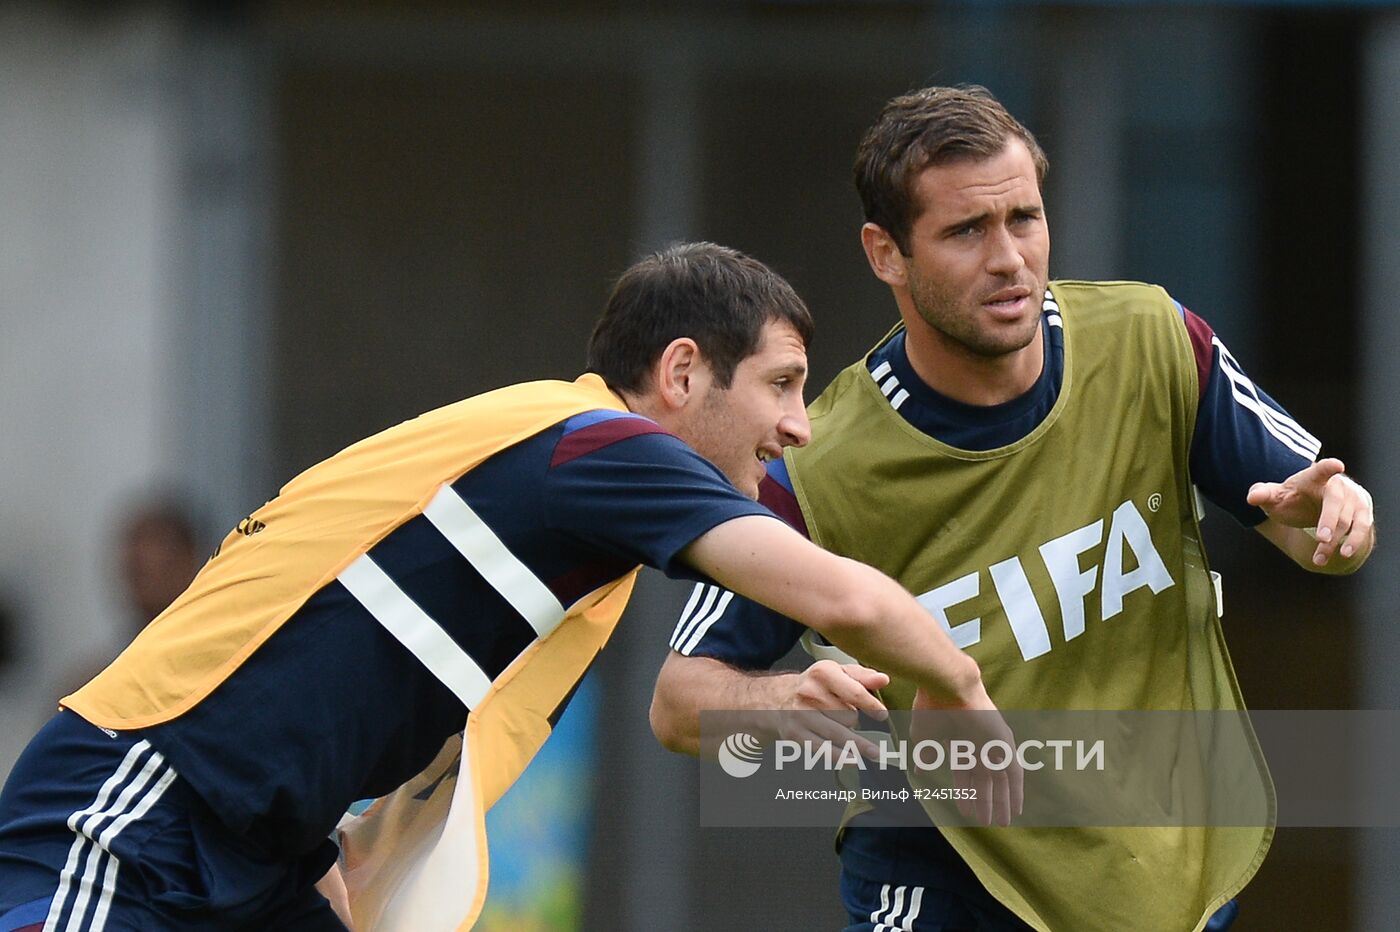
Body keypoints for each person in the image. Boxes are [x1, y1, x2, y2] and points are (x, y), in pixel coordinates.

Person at [0, 242, 1013, 932]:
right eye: (781, 383)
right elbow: (843, 600)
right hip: (138, 810)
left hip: (260, 852)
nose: (798, 424)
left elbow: (366, 697)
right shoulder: (596, 445)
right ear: (681, 371)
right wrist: (959, 689)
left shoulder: (575, 502)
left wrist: (326, 865)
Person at [650, 87, 1376, 932]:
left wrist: (1339, 524)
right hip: (946, 873)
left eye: (1024, 219)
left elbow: (1312, 534)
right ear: (886, 253)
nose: (1009, 259)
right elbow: (678, 700)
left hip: (1158, 856)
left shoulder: (1154, 340)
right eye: (966, 232)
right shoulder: (818, 463)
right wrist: (783, 705)